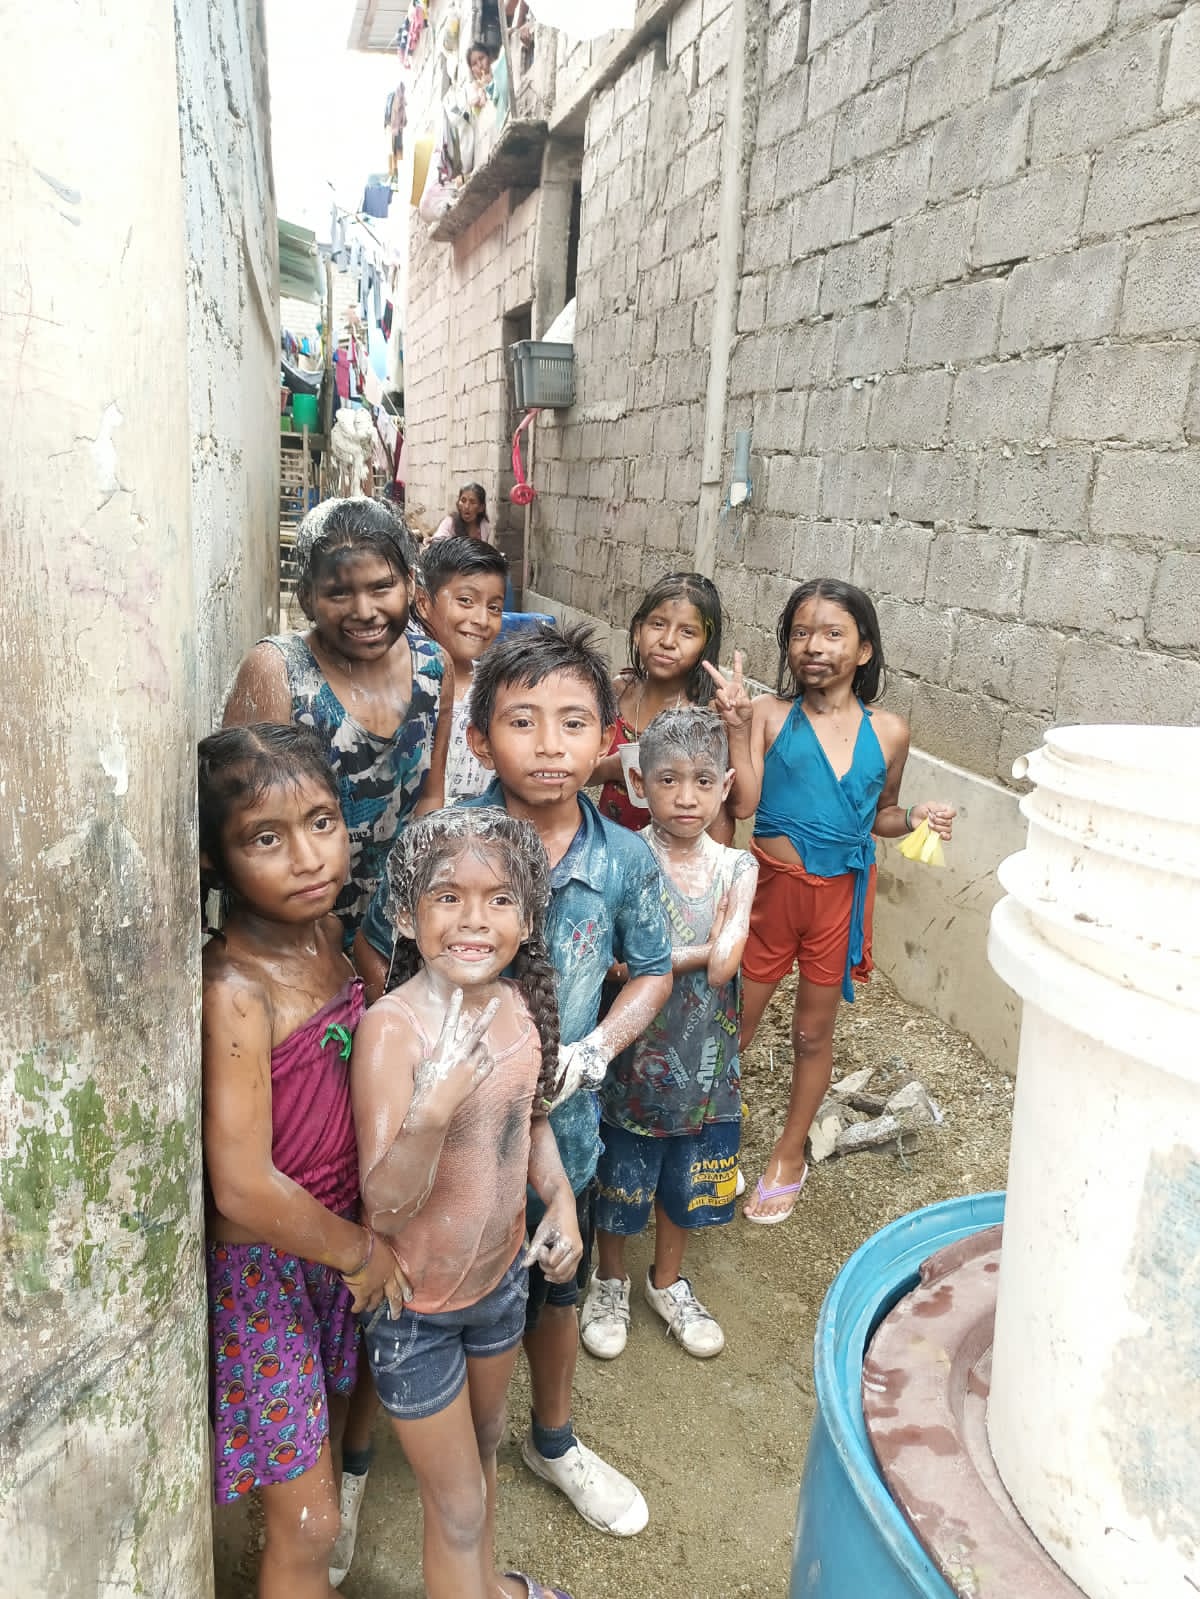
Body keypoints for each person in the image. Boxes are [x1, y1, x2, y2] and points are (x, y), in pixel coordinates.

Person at [354, 623, 673, 1537]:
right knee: (405, 1293)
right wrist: (416, 1058)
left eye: (573, 722)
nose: (548, 744)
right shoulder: (441, 841)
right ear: (480, 737)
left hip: (553, 1132)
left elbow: (653, 969)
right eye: (521, 721)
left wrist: (598, 1045)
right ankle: (357, 1457)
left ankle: (554, 1438)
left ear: (608, 737)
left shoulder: (625, 857)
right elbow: (377, 948)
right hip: (435, 1148)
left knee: (552, 1285)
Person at [199, 724, 407, 1598]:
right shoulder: (235, 988)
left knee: (321, 1449)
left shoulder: (328, 936)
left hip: (330, 1249)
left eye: (321, 821)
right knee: (310, 1521)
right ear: (214, 861)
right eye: (265, 838)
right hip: (266, 1271)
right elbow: (243, 1188)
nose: (308, 856)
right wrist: (358, 1250)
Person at [353, 808, 580, 1599]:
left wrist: (560, 1198)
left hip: (499, 1284)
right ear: (406, 913)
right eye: (448, 896)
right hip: (414, 1311)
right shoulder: (394, 1031)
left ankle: (488, 1587)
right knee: (453, 1509)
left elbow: (531, 1120)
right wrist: (430, 1112)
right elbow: (383, 1206)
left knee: (483, 1450)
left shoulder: (518, 1008)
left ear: (529, 916)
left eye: (500, 899)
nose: (475, 919)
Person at [706, 579, 956, 1225]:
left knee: (812, 1033)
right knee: (734, 1023)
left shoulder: (891, 731)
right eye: (800, 632)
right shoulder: (768, 713)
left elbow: (883, 815)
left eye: (832, 633)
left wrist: (917, 815)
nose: (813, 645)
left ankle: (789, 1154)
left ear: (864, 649)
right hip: (768, 896)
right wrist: (736, 728)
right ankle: (705, 1137)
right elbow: (745, 803)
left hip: (837, 902)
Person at [583, 708, 758, 1361]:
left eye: (703, 781)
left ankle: (667, 1281)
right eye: (668, 779)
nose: (686, 797)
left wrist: (653, 958)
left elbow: (724, 964)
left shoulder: (738, 867)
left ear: (725, 786)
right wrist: (698, 946)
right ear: (638, 782)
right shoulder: (625, 856)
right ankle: (609, 1280)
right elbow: (609, 960)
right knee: (620, 1173)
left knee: (685, 1177)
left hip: (703, 1060)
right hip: (632, 1054)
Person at [224, 497, 449, 944]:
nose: (364, 611)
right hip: (293, 930)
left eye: (381, 587)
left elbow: (430, 800)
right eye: (339, 593)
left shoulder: (433, 666)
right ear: (307, 597)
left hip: (393, 928)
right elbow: (244, 826)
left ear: (409, 583)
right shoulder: (279, 671)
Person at [591, 573, 733, 844]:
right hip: (612, 847)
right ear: (637, 631)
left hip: (677, 857)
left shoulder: (709, 713)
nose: (668, 641)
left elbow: (729, 808)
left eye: (687, 632)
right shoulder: (618, 692)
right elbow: (579, 771)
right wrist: (611, 768)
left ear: (706, 645)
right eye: (658, 624)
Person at [415, 536, 507, 801]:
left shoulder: (498, 688)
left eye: (494, 608)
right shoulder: (402, 683)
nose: (481, 619)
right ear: (423, 603)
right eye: (466, 600)